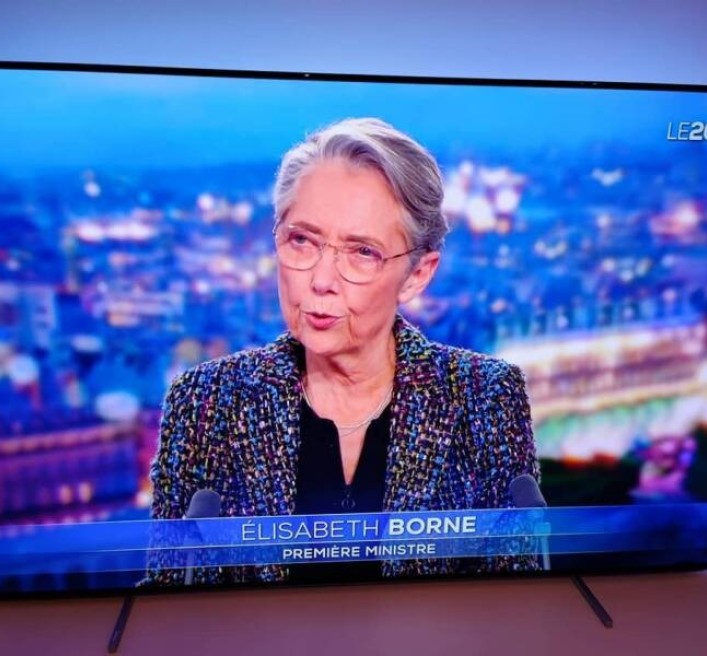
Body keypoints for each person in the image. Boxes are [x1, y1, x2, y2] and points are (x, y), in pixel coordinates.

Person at [146, 117, 539, 586]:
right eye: (302, 240)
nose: (321, 280)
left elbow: (518, 596)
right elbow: (167, 596)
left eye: (362, 252)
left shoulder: (486, 397)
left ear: (417, 274)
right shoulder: (204, 402)